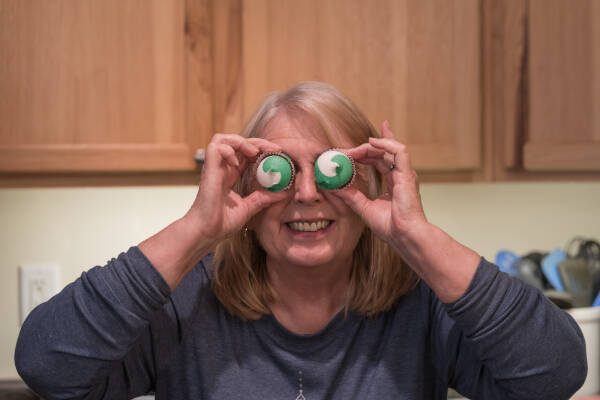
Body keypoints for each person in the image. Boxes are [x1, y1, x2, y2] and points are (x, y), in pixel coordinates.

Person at [15, 81, 586, 399]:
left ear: (367, 177)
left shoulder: (423, 305)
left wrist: (416, 236)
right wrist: (197, 230)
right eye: (282, 170)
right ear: (246, 182)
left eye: (331, 168)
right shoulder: (185, 306)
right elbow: (47, 365)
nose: (308, 194)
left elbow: (556, 373)